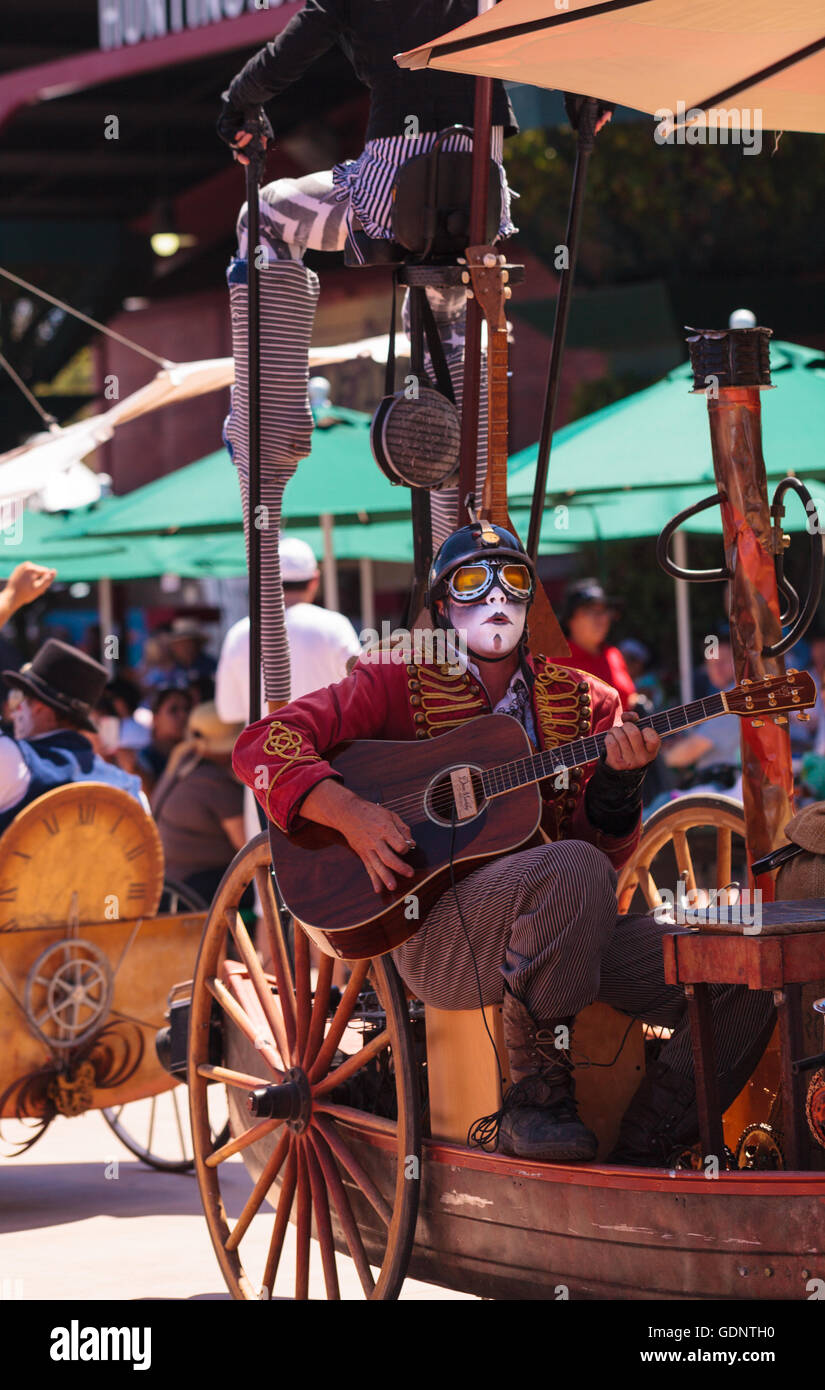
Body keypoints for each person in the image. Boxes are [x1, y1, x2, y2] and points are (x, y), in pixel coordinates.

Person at [232, 520, 775, 1166]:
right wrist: (348, 812)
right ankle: (534, 1097)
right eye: (471, 581)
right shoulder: (393, 684)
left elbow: (599, 863)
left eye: (512, 580)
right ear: (441, 605)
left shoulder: (586, 703)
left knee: (749, 963)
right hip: (437, 937)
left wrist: (616, 787)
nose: (494, 596)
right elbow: (261, 744)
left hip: (566, 935)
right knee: (569, 868)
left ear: (529, 599)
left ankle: (651, 1138)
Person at [216, 0, 521, 706]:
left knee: (261, 216)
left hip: (394, 186)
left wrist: (241, 103)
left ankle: (274, 422)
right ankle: (467, 609)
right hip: (483, 190)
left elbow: (287, 56)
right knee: (453, 399)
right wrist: (580, 104)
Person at [217, 536, 362, 841]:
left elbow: (226, 710)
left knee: (271, 875)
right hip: (331, 771)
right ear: (315, 580)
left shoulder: (239, 633)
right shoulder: (334, 626)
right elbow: (361, 694)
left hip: (263, 775)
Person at [0, 638, 145, 832]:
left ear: (41, 709)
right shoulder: (131, 789)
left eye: (23, 698)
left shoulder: (11, 759)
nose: (16, 709)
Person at [152, 702, 246, 905]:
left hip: (173, 883)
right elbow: (247, 846)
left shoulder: (184, 761)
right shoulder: (215, 783)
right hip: (197, 889)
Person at [664, 637, 742, 799]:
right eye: (712, 663)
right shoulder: (719, 696)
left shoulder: (734, 697)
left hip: (723, 788)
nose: (717, 668)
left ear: (739, 662)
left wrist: (662, 755)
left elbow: (686, 754)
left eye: (724, 661)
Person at [556, 578, 637, 712]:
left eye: (603, 610)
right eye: (590, 610)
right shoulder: (553, 664)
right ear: (570, 619)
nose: (601, 618)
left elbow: (627, 698)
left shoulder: (613, 655)